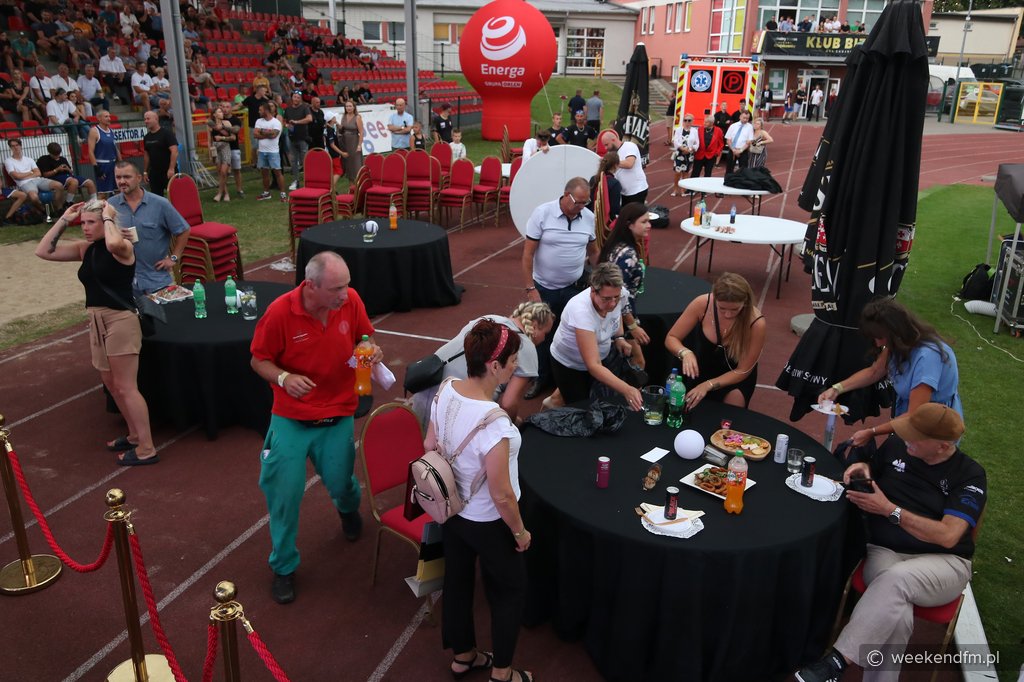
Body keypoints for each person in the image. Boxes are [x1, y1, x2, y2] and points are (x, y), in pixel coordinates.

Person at [794, 403, 985, 682]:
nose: (906, 438)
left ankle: (838, 659)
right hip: (886, 551)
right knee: (896, 610)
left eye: (915, 436)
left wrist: (889, 510)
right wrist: (862, 468)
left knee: (896, 581)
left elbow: (948, 536)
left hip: (945, 563)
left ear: (943, 446)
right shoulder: (898, 445)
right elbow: (873, 469)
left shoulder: (969, 474)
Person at [249, 251, 381, 604]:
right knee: (284, 493)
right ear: (310, 286)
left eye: (347, 285)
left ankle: (348, 509)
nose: (345, 294)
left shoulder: (350, 301)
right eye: (337, 288)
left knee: (341, 482)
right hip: (291, 417)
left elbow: (365, 338)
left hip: (337, 412)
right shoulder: (279, 313)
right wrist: (283, 377)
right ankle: (284, 566)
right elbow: (258, 360)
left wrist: (371, 349)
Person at [425, 319, 533, 682]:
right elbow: (502, 494)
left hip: (452, 511)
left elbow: (429, 445)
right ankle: (502, 673)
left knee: (457, 582)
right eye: (513, 360)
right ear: (494, 365)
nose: (516, 367)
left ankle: (464, 656)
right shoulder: (495, 423)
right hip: (489, 522)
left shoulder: (445, 389)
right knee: (509, 591)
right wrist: (519, 532)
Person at [34, 198, 157, 465]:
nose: (85, 228)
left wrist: (109, 215)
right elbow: (43, 251)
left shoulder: (123, 248)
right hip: (97, 321)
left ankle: (147, 448)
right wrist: (65, 219)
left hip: (120, 320)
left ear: (106, 223)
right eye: (83, 223)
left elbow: (113, 244)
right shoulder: (86, 249)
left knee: (126, 387)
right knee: (111, 384)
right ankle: (134, 435)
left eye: (91, 223)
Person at [818, 298, 962, 444]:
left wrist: (873, 432)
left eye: (880, 337)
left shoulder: (927, 358)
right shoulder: (900, 344)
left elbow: (915, 415)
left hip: (933, 429)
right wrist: (836, 389)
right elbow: (874, 372)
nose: (878, 344)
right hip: (908, 422)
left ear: (895, 332)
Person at [411, 302, 555, 427]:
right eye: (546, 333)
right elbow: (508, 403)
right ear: (534, 326)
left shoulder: (487, 319)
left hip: (425, 390)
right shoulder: (527, 348)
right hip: (457, 410)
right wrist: (510, 424)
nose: (544, 339)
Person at [521, 177, 598, 400]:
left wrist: (600, 276)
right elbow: (528, 254)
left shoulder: (588, 218)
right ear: (566, 195)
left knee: (570, 334)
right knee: (540, 335)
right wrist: (530, 288)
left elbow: (593, 251)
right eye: (578, 202)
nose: (581, 206)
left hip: (575, 288)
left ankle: (562, 379)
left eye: (585, 202)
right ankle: (540, 377)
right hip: (544, 288)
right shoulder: (542, 214)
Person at [664, 272, 767, 409]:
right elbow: (672, 338)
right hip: (699, 370)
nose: (728, 314)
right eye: (722, 308)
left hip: (733, 377)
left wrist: (708, 385)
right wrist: (685, 353)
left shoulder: (756, 323)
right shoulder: (702, 304)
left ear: (745, 302)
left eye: (735, 309)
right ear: (714, 298)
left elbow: (743, 370)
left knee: (733, 409)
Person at [549, 262, 643, 409]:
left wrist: (619, 337)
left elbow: (617, 312)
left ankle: (556, 398)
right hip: (571, 364)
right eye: (607, 299)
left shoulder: (620, 294)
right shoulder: (581, 311)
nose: (612, 303)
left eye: (616, 297)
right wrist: (627, 390)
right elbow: (593, 365)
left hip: (600, 357)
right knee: (580, 408)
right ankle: (551, 404)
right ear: (593, 290)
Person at [105, 160, 189, 296]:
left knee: (159, 310)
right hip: (124, 280)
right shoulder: (110, 206)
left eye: (127, 177)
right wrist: (116, 234)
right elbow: (102, 237)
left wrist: (173, 258)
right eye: (118, 177)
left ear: (139, 178)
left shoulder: (160, 204)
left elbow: (184, 230)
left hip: (155, 280)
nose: (122, 181)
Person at [597, 203, 652, 348]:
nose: (649, 225)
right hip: (620, 318)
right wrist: (632, 326)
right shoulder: (628, 255)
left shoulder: (616, 245)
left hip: (614, 315)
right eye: (644, 222)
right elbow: (619, 293)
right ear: (630, 225)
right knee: (636, 358)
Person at [3, 138, 66, 212]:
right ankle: (44, 212)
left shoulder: (29, 159)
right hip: (25, 183)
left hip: (38, 180)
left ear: (20, 146)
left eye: (17, 145)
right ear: (10, 148)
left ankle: (59, 209)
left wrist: (23, 175)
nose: (15, 147)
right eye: (13, 146)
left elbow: (38, 173)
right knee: (34, 197)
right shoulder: (8, 161)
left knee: (59, 185)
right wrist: (30, 172)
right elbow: (16, 176)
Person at [602, 132, 648, 206]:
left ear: (613, 140)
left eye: (607, 144)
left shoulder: (629, 146)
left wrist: (611, 162)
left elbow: (629, 164)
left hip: (637, 190)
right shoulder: (612, 153)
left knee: (633, 213)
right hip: (624, 193)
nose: (605, 148)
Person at [254, 101, 288, 202]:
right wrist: (268, 133)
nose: (259, 112)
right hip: (262, 151)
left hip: (273, 152)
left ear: (266, 110)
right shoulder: (258, 121)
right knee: (264, 173)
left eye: (260, 110)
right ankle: (266, 192)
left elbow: (274, 135)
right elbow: (255, 134)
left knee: (277, 172)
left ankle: (283, 194)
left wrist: (261, 131)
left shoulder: (276, 122)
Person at [142, 110, 177, 197]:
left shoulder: (167, 134)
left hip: (168, 171)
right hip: (154, 173)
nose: (146, 121)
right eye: (145, 119)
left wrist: (171, 168)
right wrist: (145, 172)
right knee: (156, 198)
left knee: (174, 196)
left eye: (148, 119)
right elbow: (146, 155)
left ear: (156, 119)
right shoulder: (146, 137)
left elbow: (174, 151)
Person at [88, 109, 121, 198]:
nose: (109, 118)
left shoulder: (111, 131)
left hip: (114, 164)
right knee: (103, 193)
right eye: (106, 116)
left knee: (118, 191)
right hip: (102, 165)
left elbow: (115, 148)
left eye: (109, 116)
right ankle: (100, 207)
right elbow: (90, 151)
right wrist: (96, 168)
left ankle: (115, 207)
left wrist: (121, 163)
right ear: (99, 118)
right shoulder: (94, 131)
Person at [283, 90, 311, 190]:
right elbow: (285, 121)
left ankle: (308, 181)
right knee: (293, 160)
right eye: (294, 97)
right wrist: (287, 125)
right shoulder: (288, 109)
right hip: (292, 137)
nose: (296, 99)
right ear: (292, 98)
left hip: (302, 137)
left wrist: (297, 122)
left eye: (298, 97)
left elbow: (309, 119)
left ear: (301, 99)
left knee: (305, 160)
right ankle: (296, 180)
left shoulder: (305, 108)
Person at [209, 106, 235, 202]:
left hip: (225, 147)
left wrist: (222, 138)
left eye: (221, 111)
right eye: (219, 112)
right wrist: (210, 154)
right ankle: (226, 193)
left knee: (224, 172)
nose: (222, 113)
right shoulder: (211, 124)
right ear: (214, 114)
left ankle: (219, 193)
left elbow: (233, 137)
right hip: (215, 149)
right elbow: (209, 140)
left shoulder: (227, 123)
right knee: (220, 173)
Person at [589, 151, 621, 225]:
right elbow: (615, 208)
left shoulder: (593, 179)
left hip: (591, 217)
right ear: (616, 165)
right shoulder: (615, 183)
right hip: (605, 222)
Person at [670, 114, 699, 195]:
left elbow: (697, 143)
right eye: (685, 120)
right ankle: (675, 189)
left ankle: (683, 190)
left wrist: (690, 150)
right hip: (680, 153)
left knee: (686, 173)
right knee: (677, 172)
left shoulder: (694, 131)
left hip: (689, 155)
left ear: (692, 121)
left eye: (689, 120)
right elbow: (675, 141)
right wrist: (682, 148)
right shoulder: (678, 130)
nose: (687, 122)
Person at [337, 99, 363, 187]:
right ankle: (351, 187)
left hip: (354, 141)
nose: (348, 108)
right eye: (347, 106)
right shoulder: (343, 116)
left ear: (354, 107)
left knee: (355, 164)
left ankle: (359, 186)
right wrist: (338, 126)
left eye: (350, 106)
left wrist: (359, 145)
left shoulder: (357, 117)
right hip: (344, 142)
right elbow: (342, 129)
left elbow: (361, 132)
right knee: (348, 164)